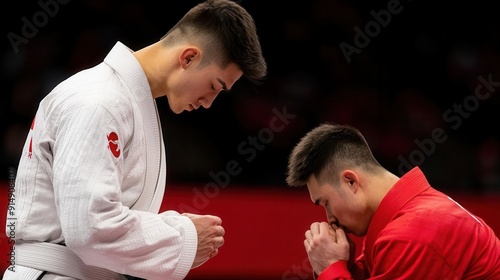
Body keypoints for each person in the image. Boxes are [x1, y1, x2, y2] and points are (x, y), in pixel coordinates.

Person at [3, 0, 267, 279]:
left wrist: (174, 230)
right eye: (215, 85)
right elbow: (88, 228)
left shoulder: (122, 100)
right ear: (188, 57)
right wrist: (182, 237)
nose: (209, 102)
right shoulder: (99, 100)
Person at [286, 123, 500, 279]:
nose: (329, 219)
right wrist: (348, 268)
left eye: (325, 203)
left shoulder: (413, 233)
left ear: (350, 181)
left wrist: (330, 267)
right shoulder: (411, 217)